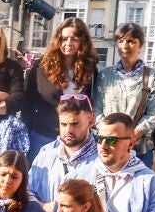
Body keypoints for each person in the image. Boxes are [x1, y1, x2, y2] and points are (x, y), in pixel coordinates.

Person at [24, 18, 99, 155]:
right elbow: (27, 104)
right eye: (64, 39)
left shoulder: (90, 69)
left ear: (83, 42)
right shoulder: (40, 67)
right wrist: (26, 132)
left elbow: (92, 102)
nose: (68, 43)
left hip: (77, 138)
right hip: (43, 135)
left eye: (74, 39)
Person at [97, 22, 155, 151]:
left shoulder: (152, 77)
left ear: (141, 45)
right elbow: (97, 109)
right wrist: (109, 136)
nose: (124, 46)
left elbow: (153, 113)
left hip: (138, 148)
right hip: (108, 146)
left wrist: (129, 138)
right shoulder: (104, 75)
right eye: (120, 41)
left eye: (131, 41)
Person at [28, 100, 98, 210]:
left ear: (91, 121)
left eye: (75, 124)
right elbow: (27, 191)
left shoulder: (102, 159)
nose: (68, 130)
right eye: (63, 124)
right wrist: (43, 206)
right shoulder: (45, 154)